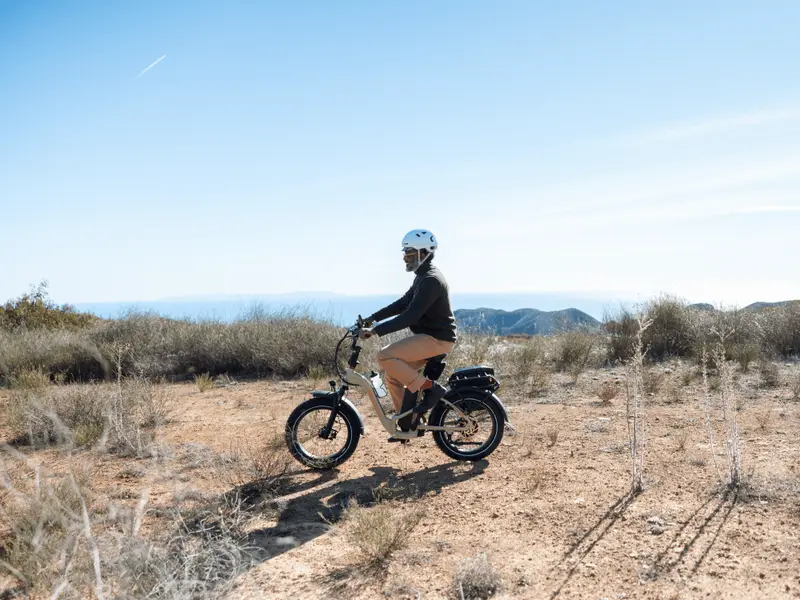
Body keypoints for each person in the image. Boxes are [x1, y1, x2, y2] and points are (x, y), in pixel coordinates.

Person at [359, 229, 457, 424]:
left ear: (423, 253)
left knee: (384, 355)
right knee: (393, 375)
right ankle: (408, 422)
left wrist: (376, 331)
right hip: (430, 337)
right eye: (405, 253)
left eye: (409, 253)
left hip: (437, 339)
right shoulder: (422, 276)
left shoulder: (431, 280)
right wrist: (372, 318)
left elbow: (411, 315)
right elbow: (403, 303)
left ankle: (430, 389)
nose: (405, 258)